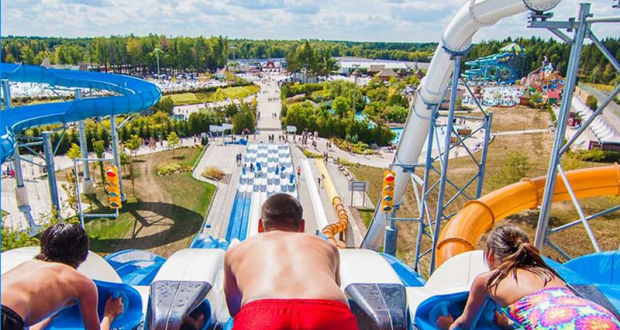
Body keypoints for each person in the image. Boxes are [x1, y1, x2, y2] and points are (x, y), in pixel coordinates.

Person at [437, 225, 620, 330]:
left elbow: (465, 324)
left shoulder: (488, 279)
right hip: (602, 319)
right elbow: (546, 309)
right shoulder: (547, 272)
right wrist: (507, 324)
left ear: (491, 256)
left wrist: (447, 326)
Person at [223, 194, 358, 330]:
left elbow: (234, 309)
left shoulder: (236, 251)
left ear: (260, 225)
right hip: (329, 314)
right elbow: (336, 284)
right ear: (302, 226)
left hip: (262, 316)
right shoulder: (327, 247)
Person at [1, 223, 124, 330]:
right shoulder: (83, 283)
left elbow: (15, 319)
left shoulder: (26, 266)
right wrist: (109, 315)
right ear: (84, 255)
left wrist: (52, 313)